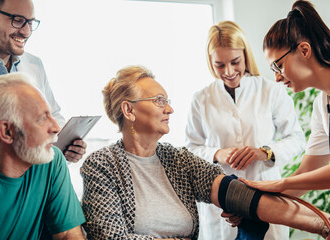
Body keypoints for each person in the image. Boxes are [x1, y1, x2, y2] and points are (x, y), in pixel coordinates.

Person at [80, 65, 329, 240]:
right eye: (158, 100)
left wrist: (323, 223)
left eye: (167, 100)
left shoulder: (177, 160)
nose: (170, 109)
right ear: (129, 110)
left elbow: (236, 194)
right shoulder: (102, 165)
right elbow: (108, 236)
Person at [184, 20, 305, 240]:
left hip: (266, 195)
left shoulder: (271, 90)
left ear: (245, 55)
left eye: (235, 62)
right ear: (210, 62)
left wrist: (264, 152)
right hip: (221, 205)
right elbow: (191, 148)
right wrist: (217, 154)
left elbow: (296, 139)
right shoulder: (201, 98)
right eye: (220, 65)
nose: (229, 71)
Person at [0, 72, 85, 239]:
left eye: (51, 116)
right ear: (7, 132)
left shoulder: (52, 161)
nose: (55, 127)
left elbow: (68, 234)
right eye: (41, 119)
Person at [0, 0, 86, 162]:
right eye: (17, 20)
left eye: (30, 22)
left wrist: (67, 146)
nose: (26, 31)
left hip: (35, 176)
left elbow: (53, 116)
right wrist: (22, 146)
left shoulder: (34, 64)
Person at [240, 0, 330, 196]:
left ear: (304, 50)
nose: (277, 77)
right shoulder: (321, 105)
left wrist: (281, 184)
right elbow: (309, 173)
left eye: (278, 66)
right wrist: (254, 207)